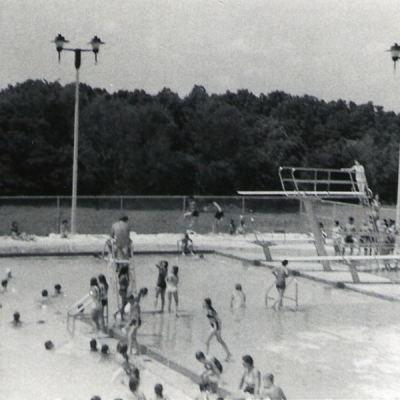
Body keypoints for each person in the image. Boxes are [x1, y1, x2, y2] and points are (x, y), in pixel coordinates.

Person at [126, 287, 148, 355]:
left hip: (135, 321)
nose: (129, 302)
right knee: (133, 336)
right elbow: (133, 314)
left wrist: (136, 323)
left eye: (129, 301)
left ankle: (130, 350)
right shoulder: (135, 302)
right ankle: (136, 350)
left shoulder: (135, 304)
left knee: (130, 335)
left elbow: (137, 314)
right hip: (134, 321)